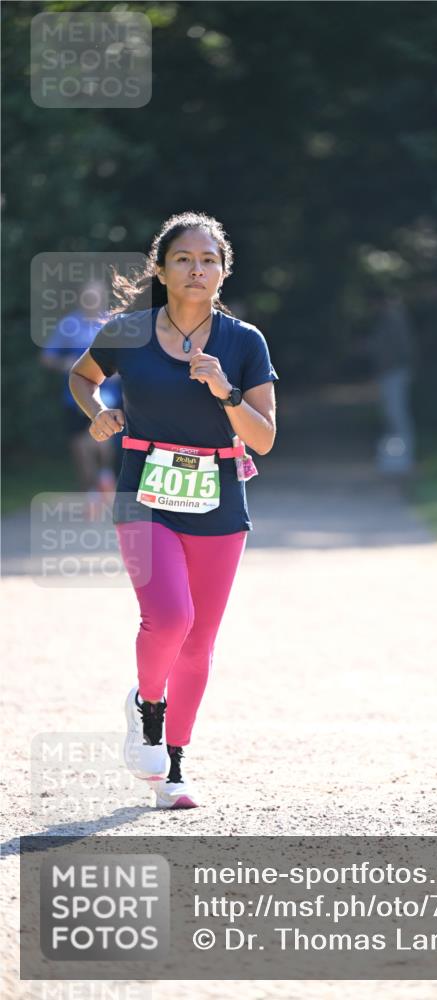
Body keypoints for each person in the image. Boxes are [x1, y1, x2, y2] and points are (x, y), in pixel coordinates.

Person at [68, 212, 279, 809]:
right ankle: (148, 707)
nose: (196, 269)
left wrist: (227, 393)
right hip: (144, 495)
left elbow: (262, 438)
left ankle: (175, 768)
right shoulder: (127, 331)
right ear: (160, 269)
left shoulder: (244, 342)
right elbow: (83, 378)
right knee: (169, 616)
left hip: (217, 498)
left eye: (208, 260)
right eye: (183, 259)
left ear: (223, 271)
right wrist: (98, 412)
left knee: (199, 641)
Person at [41, 279, 122, 511]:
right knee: (80, 445)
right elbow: (47, 357)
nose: (92, 301)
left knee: (102, 438)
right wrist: (65, 363)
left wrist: (119, 371)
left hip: (107, 395)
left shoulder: (113, 323)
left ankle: (104, 476)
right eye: (88, 296)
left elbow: (128, 358)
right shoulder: (69, 325)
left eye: (96, 296)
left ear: (103, 298)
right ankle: (93, 489)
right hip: (74, 396)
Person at [367, 292, 417, 475]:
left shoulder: (393, 320)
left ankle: (404, 457)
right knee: (392, 414)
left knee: (397, 415)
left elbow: (397, 349)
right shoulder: (390, 320)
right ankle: (398, 457)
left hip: (395, 373)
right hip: (390, 373)